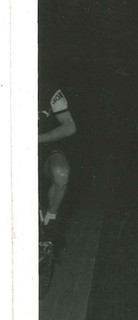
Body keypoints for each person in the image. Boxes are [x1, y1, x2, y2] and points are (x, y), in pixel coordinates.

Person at [38, 80, 78, 240]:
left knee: (61, 173)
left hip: (44, 147)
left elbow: (69, 126)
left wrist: (36, 139)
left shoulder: (50, 90)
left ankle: (50, 218)